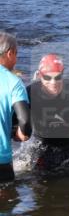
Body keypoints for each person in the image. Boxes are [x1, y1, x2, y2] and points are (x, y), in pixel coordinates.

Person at [0, 32, 31, 183]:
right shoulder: (14, 82)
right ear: (10, 53)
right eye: (16, 54)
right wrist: (20, 134)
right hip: (1, 160)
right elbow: (25, 123)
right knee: (7, 202)